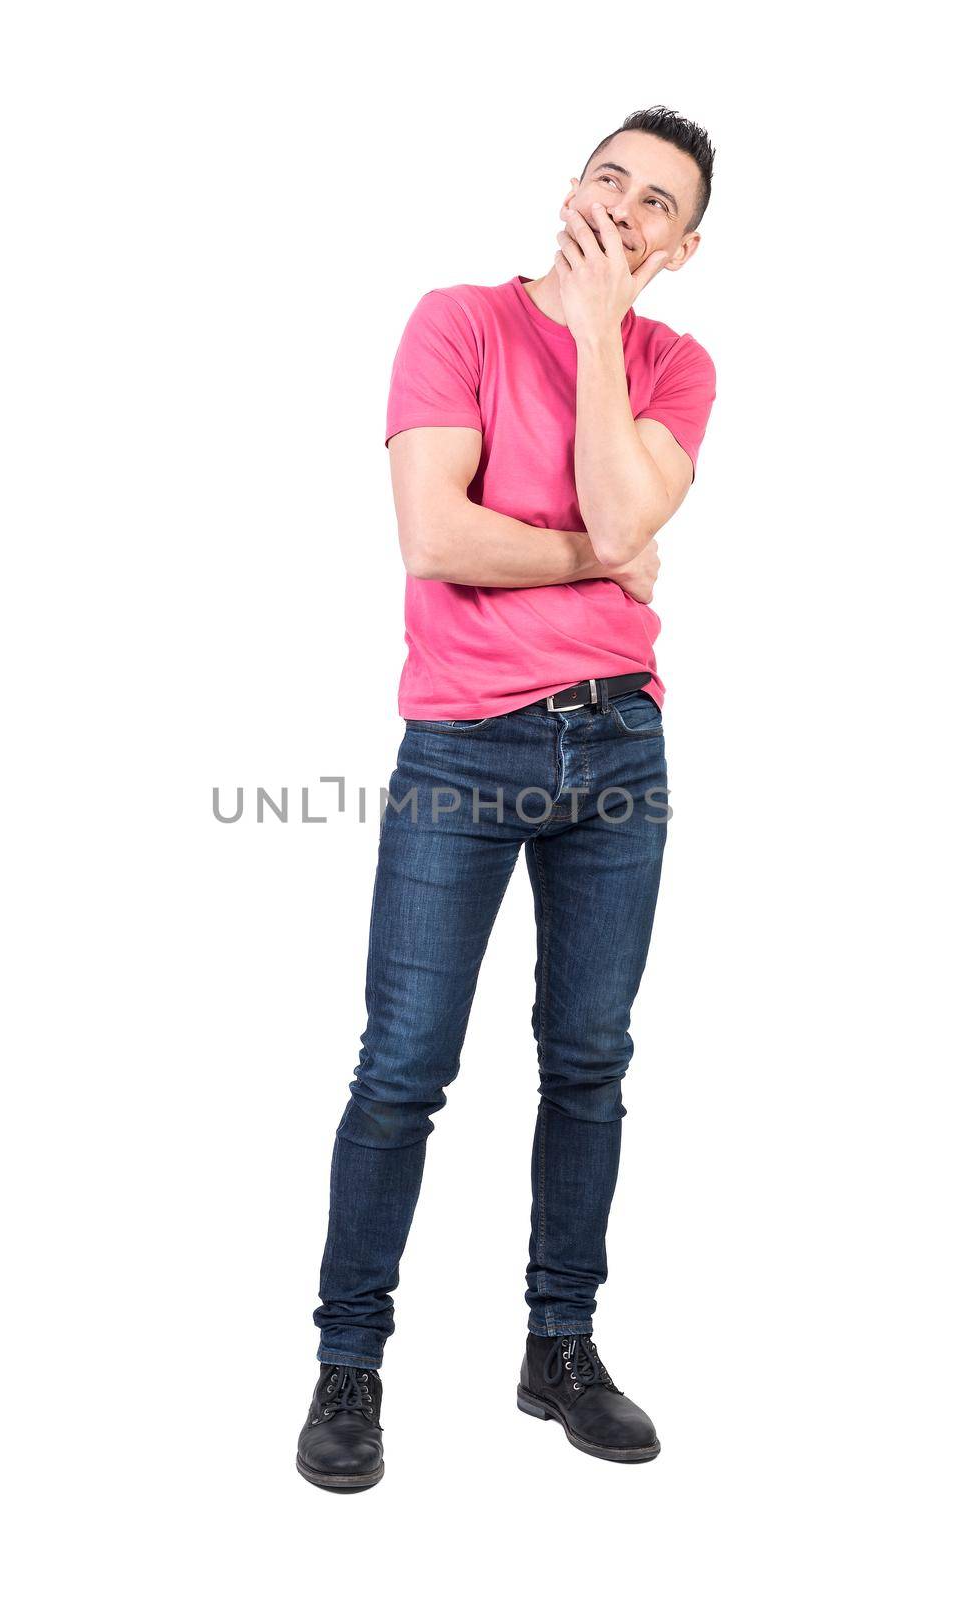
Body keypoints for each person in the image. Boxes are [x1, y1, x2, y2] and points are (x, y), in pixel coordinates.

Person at [297, 106, 718, 1491]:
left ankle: (560, 1347)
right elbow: (436, 532)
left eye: (657, 202)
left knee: (589, 1063)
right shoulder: (456, 322)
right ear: (568, 190)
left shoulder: (674, 365)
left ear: (682, 247)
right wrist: (607, 565)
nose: (626, 206)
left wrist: (599, 335)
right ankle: (348, 1361)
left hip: (618, 759)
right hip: (463, 753)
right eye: (610, 177)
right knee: (404, 1068)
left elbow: (620, 501)